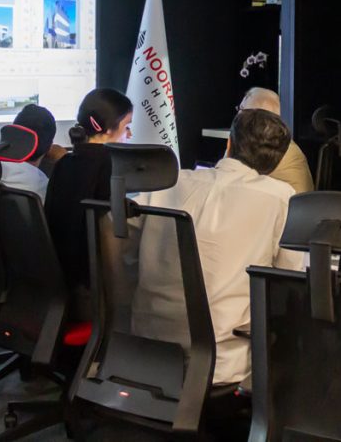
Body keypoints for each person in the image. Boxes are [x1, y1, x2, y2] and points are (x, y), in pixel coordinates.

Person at [128, 109, 304, 385]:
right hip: (221, 361)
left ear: (229, 145)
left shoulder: (168, 181)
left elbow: (117, 236)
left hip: (145, 344)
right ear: (278, 161)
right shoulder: (281, 198)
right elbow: (291, 279)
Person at [43, 88, 133, 313]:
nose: (129, 134)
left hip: (61, 281)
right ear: (109, 129)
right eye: (126, 126)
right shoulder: (111, 168)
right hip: (92, 289)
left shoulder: (65, 163)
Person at [237, 87, 314, 193]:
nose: (238, 115)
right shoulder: (280, 140)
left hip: (283, 207)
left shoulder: (262, 145)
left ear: (254, 117)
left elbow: (227, 177)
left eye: (242, 109)